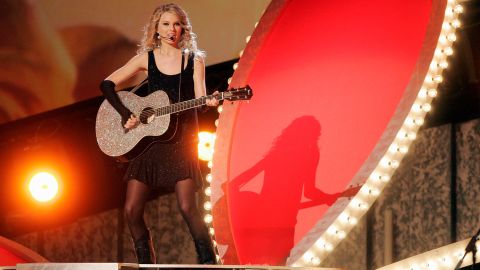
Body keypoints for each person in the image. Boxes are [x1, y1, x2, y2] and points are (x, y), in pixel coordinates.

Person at [99, 3, 218, 264]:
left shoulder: (193, 59)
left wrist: (209, 102)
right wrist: (124, 114)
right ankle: (147, 264)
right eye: (166, 24)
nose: (171, 30)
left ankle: (209, 263)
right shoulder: (146, 59)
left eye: (176, 24)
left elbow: (200, 95)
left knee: (188, 207)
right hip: (150, 140)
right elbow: (107, 84)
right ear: (156, 28)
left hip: (181, 140)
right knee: (131, 210)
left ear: (183, 28)